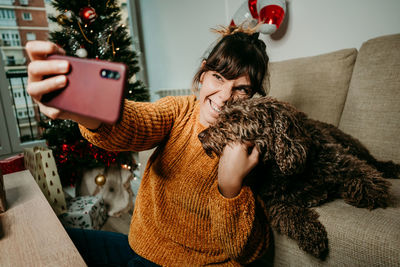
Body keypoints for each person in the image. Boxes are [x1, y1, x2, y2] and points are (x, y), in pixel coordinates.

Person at [26, 25, 271, 266]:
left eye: (241, 89)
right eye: (218, 77)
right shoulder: (180, 110)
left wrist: (230, 187)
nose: (225, 96)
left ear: (252, 97)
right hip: (139, 247)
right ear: (204, 72)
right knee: (46, 240)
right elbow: (135, 123)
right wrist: (80, 105)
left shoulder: (252, 145)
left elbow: (248, 250)